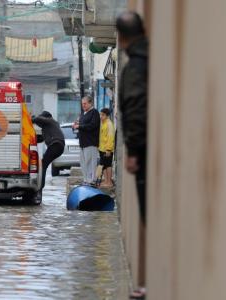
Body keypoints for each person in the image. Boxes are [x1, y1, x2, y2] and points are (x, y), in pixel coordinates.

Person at [116, 11, 149, 300]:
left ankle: (147, 283)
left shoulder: (136, 66)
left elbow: (135, 107)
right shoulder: (149, 56)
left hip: (144, 152)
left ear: (122, 38)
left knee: (147, 212)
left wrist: (133, 151)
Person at [32, 111, 65, 191]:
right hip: (58, 146)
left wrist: (31, 118)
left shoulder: (50, 121)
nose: (39, 124)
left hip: (56, 144)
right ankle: (40, 185)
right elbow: (41, 139)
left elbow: (39, 119)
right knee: (44, 164)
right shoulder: (48, 127)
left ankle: (40, 186)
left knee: (43, 164)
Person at [72, 96, 100, 185]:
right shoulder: (84, 114)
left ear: (90, 103)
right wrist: (77, 124)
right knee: (83, 163)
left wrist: (80, 126)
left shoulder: (94, 112)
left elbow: (92, 125)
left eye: (85, 103)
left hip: (91, 143)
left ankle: (92, 181)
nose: (83, 105)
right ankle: (86, 180)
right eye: (82, 104)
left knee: (90, 163)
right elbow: (81, 125)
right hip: (83, 143)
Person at [98, 108, 115, 187]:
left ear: (107, 116)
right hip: (101, 148)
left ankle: (109, 182)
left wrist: (108, 149)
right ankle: (106, 181)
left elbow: (110, 137)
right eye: (100, 114)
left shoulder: (109, 124)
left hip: (107, 149)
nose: (101, 116)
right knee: (103, 165)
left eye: (103, 115)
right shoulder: (102, 123)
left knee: (108, 165)